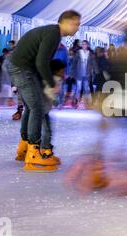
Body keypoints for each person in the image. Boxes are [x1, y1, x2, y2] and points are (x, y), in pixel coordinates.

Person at [8, 10, 81, 172]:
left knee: (31, 107)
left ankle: (25, 147)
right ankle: (33, 154)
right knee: (37, 108)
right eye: (76, 24)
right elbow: (41, 62)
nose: (77, 28)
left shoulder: (52, 32)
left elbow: (40, 60)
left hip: (20, 68)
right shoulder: (53, 34)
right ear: (66, 22)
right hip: (21, 69)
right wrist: (50, 83)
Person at [70, 40, 95, 108]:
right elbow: (74, 63)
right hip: (79, 74)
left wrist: (95, 71)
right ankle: (76, 102)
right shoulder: (78, 52)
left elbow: (93, 63)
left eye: (85, 44)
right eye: (83, 44)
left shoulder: (90, 53)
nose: (84, 45)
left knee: (86, 89)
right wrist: (72, 73)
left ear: (88, 45)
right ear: (82, 45)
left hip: (87, 74)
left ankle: (88, 103)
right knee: (78, 88)